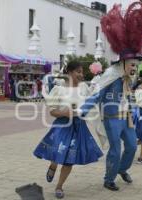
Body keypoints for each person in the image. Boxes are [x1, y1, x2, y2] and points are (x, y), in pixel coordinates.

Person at [79, 1, 142, 191]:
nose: (134, 68)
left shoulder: (129, 79)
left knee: (131, 146)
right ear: (122, 63)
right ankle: (109, 178)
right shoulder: (110, 76)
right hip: (112, 119)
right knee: (116, 149)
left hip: (127, 119)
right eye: (132, 64)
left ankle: (122, 169)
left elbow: (130, 97)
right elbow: (96, 95)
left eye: (135, 65)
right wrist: (81, 111)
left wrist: (134, 112)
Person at [33, 61, 103, 199]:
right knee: (58, 151)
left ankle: (59, 186)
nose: (81, 75)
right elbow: (53, 112)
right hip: (62, 125)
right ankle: (53, 165)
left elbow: (91, 102)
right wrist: (64, 113)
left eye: (82, 72)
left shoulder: (84, 88)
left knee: (69, 158)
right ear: (69, 73)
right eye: (78, 72)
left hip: (79, 127)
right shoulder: (59, 89)